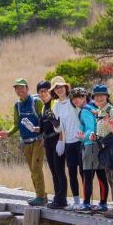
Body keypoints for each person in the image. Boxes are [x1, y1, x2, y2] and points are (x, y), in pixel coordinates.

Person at [0, 78, 47, 206]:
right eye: (17, 88)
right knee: (32, 170)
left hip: (38, 141)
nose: (19, 90)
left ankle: (40, 197)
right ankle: (40, 196)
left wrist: (44, 136)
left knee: (36, 168)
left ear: (27, 88)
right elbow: (16, 124)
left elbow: (46, 120)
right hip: (26, 142)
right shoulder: (17, 105)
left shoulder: (37, 102)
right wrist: (7, 133)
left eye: (22, 87)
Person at [69, 87, 109, 212]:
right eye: (74, 98)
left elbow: (90, 129)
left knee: (87, 175)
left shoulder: (85, 110)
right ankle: (103, 204)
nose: (76, 100)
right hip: (100, 145)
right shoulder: (94, 107)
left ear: (85, 97)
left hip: (90, 145)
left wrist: (82, 137)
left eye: (79, 97)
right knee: (101, 175)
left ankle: (86, 204)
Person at [92, 85, 113, 219]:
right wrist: (96, 136)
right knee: (111, 179)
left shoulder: (110, 111)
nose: (99, 98)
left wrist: (111, 130)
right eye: (96, 96)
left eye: (102, 95)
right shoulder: (100, 111)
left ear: (107, 97)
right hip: (105, 149)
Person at [50, 76, 84, 210]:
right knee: (71, 173)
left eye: (61, 86)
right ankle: (76, 202)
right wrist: (56, 127)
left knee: (83, 172)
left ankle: (86, 202)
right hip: (68, 143)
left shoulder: (73, 100)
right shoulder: (56, 106)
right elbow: (58, 128)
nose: (59, 89)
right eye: (56, 88)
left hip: (80, 141)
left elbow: (83, 115)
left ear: (65, 87)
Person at [36, 80, 68, 209]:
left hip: (57, 139)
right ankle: (57, 198)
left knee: (59, 170)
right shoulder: (44, 107)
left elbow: (61, 124)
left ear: (50, 91)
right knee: (54, 171)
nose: (43, 94)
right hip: (48, 141)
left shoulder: (55, 103)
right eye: (40, 92)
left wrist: (61, 140)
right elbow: (43, 127)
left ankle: (62, 199)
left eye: (45, 91)